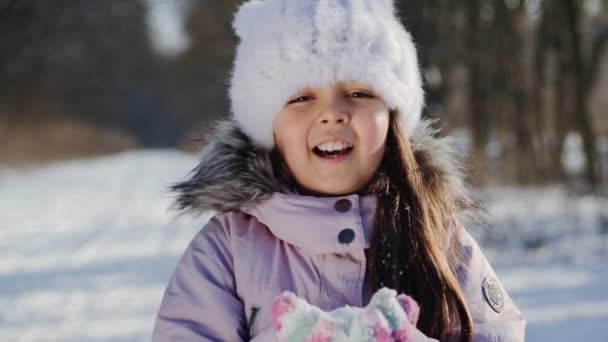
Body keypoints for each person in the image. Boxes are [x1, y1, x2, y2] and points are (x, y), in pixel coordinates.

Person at [151, 0, 526, 341]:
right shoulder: (228, 250)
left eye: (360, 93)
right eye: (301, 97)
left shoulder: (436, 233)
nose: (332, 113)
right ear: (269, 130)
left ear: (393, 115)